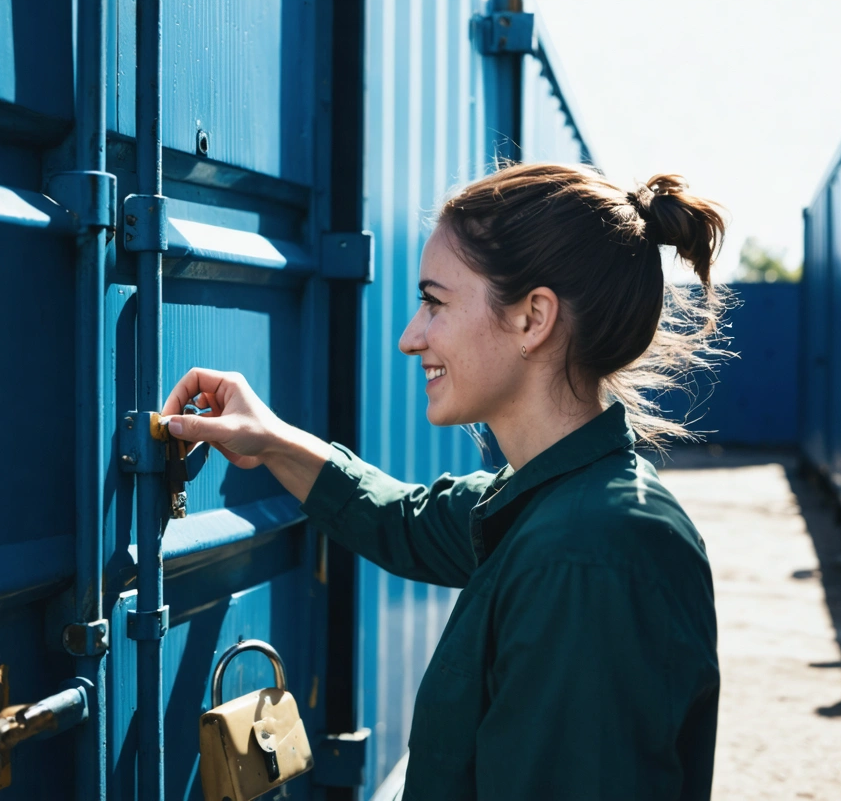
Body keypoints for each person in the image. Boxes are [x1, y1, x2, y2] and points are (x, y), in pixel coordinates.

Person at [162, 163, 724, 800]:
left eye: (435, 302)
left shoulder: (590, 553)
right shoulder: (550, 503)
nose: (410, 338)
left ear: (533, 317)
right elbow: (402, 521)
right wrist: (270, 438)